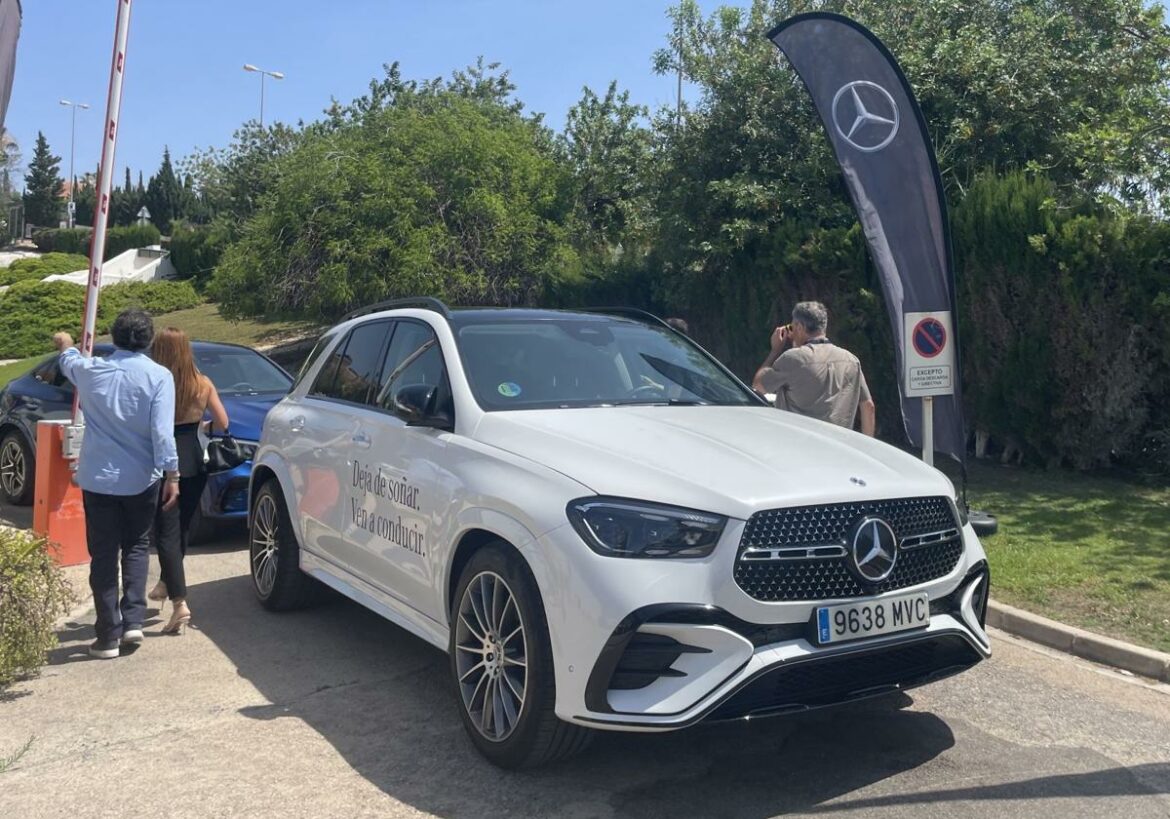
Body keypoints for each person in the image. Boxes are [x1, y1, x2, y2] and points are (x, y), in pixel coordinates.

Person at [54, 311, 179, 660]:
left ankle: (108, 633)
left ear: (116, 337)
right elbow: (162, 433)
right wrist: (173, 474)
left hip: (99, 477)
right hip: (142, 478)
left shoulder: (93, 371)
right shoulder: (159, 376)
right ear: (150, 339)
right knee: (137, 547)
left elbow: (68, 360)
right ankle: (134, 620)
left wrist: (65, 342)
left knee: (103, 554)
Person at [148, 327, 230, 635]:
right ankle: (166, 581)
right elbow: (223, 422)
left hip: (164, 461)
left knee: (165, 531)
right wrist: (200, 423)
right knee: (180, 527)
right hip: (195, 460)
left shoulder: (157, 382)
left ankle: (177, 601)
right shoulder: (202, 383)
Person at [752, 301, 876, 436]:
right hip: (839, 448)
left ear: (799, 327)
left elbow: (758, 386)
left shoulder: (793, 359)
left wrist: (775, 351)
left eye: (792, 327)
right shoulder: (852, 361)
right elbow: (868, 407)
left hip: (799, 447)